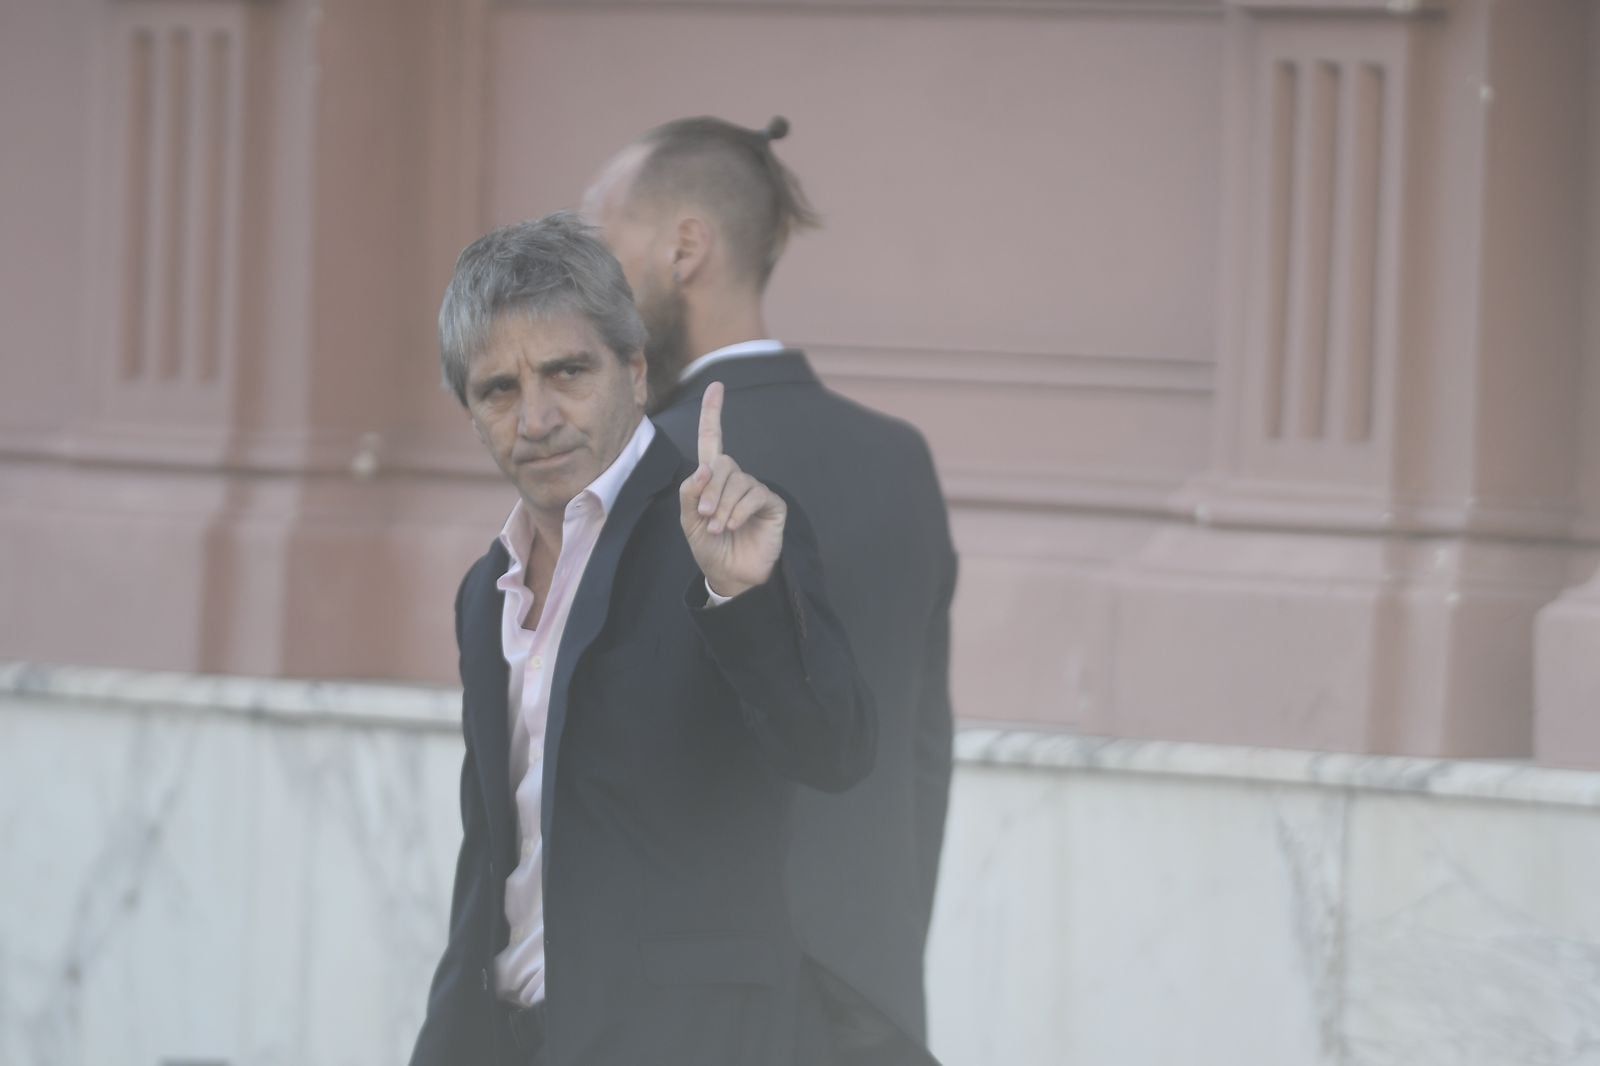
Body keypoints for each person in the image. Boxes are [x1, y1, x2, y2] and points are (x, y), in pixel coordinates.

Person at [408, 212, 876, 1066]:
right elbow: (492, 867)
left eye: (567, 372)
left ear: (634, 369)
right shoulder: (487, 590)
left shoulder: (723, 536)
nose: (536, 418)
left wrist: (741, 596)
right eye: (499, 390)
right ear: (470, 413)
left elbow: (833, 752)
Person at [585, 116, 957, 1064]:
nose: (586, 292)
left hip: (681, 1024)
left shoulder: (634, 473)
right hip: (873, 1013)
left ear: (684, 248)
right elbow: (923, 754)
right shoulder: (899, 461)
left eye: (601, 247)